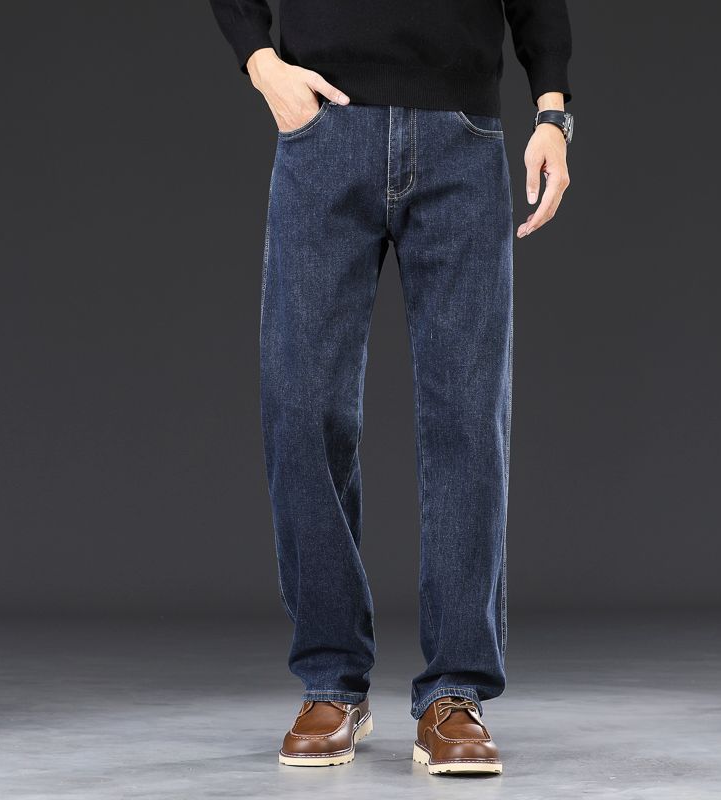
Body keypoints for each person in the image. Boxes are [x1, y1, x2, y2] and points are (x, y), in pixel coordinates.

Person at [208, 0, 573, 775]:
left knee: (468, 417)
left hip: (461, 138)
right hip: (324, 132)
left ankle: (455, 693)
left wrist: (553, 112)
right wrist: (261, 62)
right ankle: (331, 680)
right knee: (301, 408)